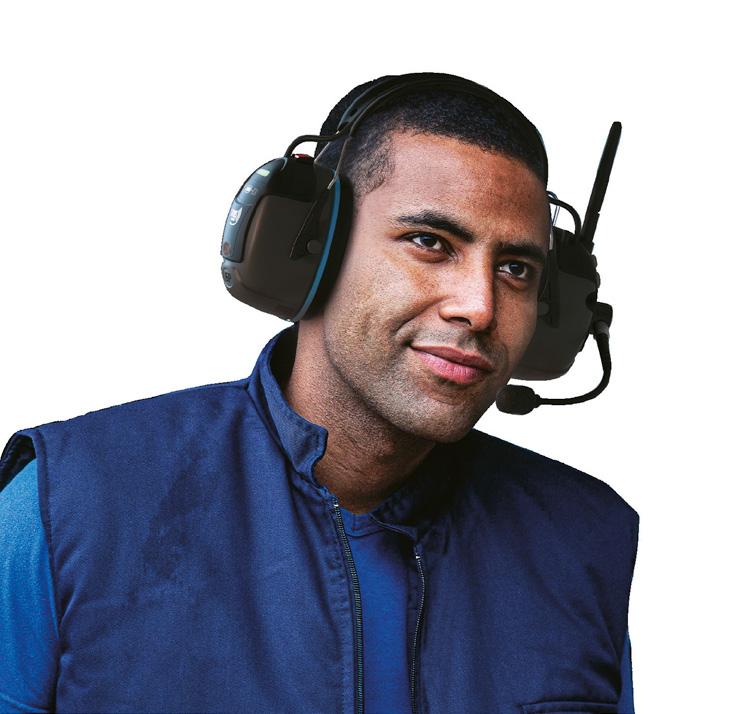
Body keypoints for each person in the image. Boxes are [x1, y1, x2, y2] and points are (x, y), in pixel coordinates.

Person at [0, 73, 638, 713]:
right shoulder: (66, 504)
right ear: (310, 249)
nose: (479, 306)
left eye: (515, 269)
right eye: (430, 243)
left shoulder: (584, 543)